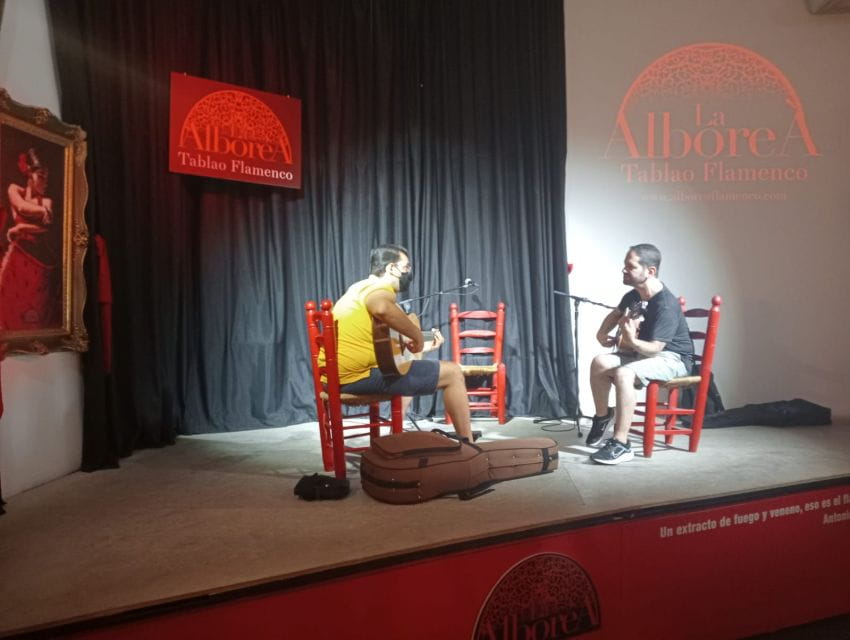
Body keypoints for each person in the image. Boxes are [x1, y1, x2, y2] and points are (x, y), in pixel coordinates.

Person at [328, 244, 473, 441]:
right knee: (454, 372)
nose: (409, 272)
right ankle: (468, 446)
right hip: (356, 377)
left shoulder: (358, 288)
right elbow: (381, 307)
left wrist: (420, 347)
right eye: (406, 267)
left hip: (338, 375)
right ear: (391, 268)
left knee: (410, 368)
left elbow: (388, 353)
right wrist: (417, 336)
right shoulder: (379, 289)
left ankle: (395, 437)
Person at [586, 244, 694, 464]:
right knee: (599, 362)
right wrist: (601, 333)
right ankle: (603, 416)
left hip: (672, 359)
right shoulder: (634, 295)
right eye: (624, 265)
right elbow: (616, 314)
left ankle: (621, 444)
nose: (624, 270)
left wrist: (632, 340)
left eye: (631, 266)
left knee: (624, 373)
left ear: (650, 271)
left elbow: (655, 349)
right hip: (644, 354)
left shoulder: (666, 305)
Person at [0, 148, 60, 330]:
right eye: (41, 176)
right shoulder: (14, 190)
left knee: (35, 312)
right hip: (18, 257)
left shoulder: (47, 202)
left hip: (39, 264)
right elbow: (21, 207)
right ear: (29, 174)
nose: (45, 182)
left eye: (47, 178)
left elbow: (45, 229)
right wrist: (42, 213)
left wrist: (20, 228)